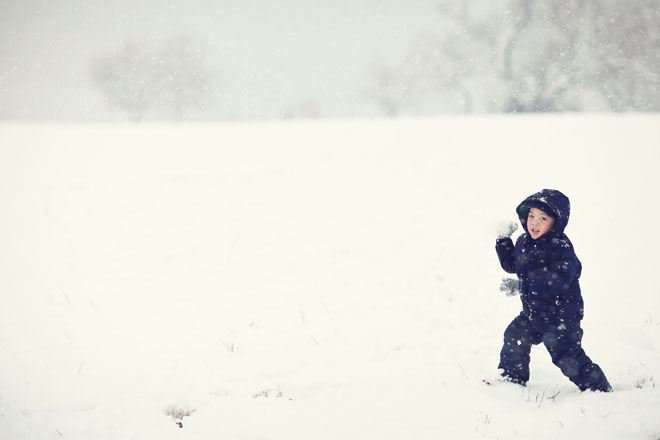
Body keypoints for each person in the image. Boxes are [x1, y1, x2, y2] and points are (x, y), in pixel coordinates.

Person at [494, 189, 612, 392]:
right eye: (531, 216)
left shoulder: (560, 247)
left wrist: (524, 284)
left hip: (560, 318)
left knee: (567, 358)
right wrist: (503, 240)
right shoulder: (524, 242)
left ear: (555, 222)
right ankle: (511, 378)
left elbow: (560, 279)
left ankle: (598, 388)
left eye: (543, 218)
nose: (534, 222)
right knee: (515, 336)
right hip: (533, 313)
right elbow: (513, 265)